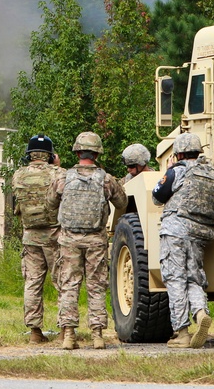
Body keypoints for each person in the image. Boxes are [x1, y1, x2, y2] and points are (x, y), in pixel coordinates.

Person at [47, 131, 127, 350]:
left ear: (77, 151)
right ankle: (98, 335)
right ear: (97, 153)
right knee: (96, 286)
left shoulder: (63, 178)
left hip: (69, 240)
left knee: (69, 285)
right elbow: (122, 203)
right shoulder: (106, 179)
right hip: (96, 240)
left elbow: (50, 204)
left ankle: (69, 335)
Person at [152, 132, 214, 349]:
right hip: (200, 234)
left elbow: (157, 196)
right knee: (194, 279)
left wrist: (170, 170)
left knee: (175, 279)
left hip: (175, 230)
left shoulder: (178, 171)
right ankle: (201, 313)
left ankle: (181, 332)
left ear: (179, 153)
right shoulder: (212, 173)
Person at [11, 134, 67, 344]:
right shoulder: (60, 173)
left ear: (30, 155)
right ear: (51, 156)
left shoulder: (18, 175)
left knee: (32, 283)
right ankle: (64, 330)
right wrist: (58, 166)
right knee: (62, 281)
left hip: (30, 236)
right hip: (55, 235)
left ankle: (35, 332)